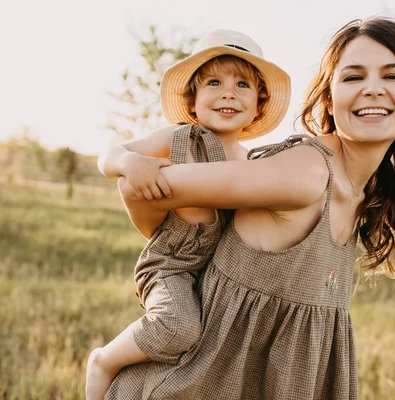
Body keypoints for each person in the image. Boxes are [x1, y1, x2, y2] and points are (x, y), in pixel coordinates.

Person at [101, 17, 395, 399]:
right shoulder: (305, 173)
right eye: (353, 77)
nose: (373, 89)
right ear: (329, 98)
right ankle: (104, 360)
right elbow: (138, 186)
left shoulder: (364, 190)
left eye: (393, 76)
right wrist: (164, 235)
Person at [85, 29, 291, 399]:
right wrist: (131, 162)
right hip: (171, 264)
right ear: (192, 101)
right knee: (178, 326)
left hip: (218, 275)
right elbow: (108, 156)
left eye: (242, 85)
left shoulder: (253, 164)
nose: (228, 92)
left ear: (258, 105)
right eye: (214, 82)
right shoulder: (180, 139)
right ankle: (104, 361)